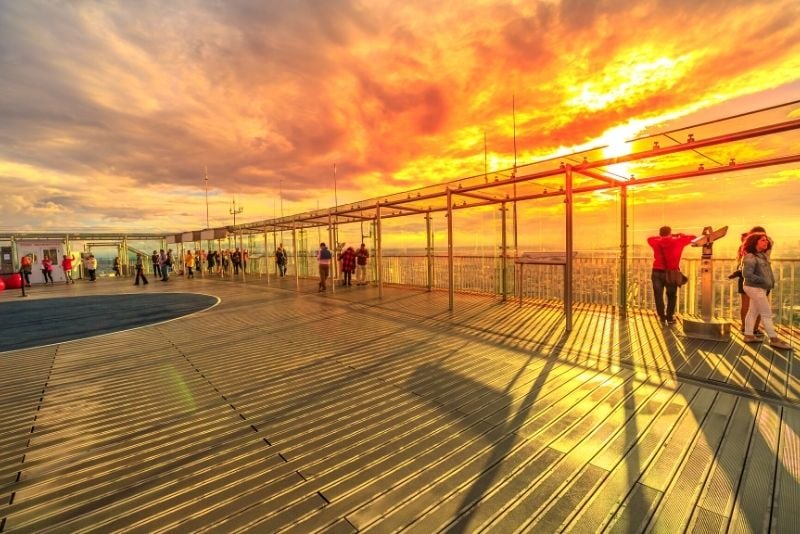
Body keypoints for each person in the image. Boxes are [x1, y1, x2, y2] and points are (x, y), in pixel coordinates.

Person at [741, 233, 791, 349]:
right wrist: (763, 280)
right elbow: (747, 274)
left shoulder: (762, 255)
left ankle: (748, 335)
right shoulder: (750, 257)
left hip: (758, 287)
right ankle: (774, 339)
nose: (766, 242)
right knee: (766, 313)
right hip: (754, 287)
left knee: (753, 311)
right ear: (755, 243)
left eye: (766, 240)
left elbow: (771, 242)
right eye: (762, 240)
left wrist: (767, 239)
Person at [647, 226, 695, 325]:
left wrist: (664, 237)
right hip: (672, 273)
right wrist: (678, 235)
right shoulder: (678, 241)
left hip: (656, 272)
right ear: (670, 233)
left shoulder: (656, 242)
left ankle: (661, 316)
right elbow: (693, 237)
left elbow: (650, 238)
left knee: (658, 295)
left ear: (660, 234)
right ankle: (669, 317)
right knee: (671, 296)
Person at [731, 226, 770, 336]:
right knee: (754, 304)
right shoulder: (763, 247)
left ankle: (747, 328)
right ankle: (753, 329)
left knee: (748, 305)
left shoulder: (744, 246)